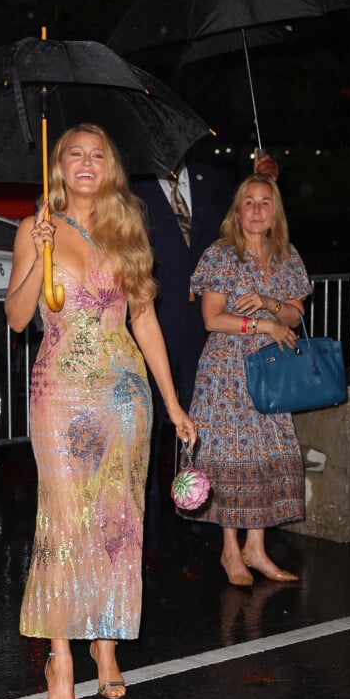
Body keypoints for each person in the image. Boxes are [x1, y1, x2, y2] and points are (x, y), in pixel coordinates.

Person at [4, 123, 196, 699]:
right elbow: (15, 319)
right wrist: (37, 257)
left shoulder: (126, 229)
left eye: (97, 155)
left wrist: (171, 402)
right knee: (64, 520)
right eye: (74, 155)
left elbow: (144, 321)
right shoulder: (34, 230)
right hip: (60, 391)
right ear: (57, 166)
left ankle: (106, 644)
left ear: (109, 168)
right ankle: (60, 653)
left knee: (118, 520)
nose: (86, 163)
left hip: (124, 394)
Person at [130, 146, 279, 568]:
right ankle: (149, 536)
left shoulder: (213, 181)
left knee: (212, 430)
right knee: (152, 432)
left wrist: (265, 181)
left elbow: (251, 222)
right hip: (154, 324)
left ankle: (218, 533)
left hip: (211, 335)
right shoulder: (132, 186)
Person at [181, 172, 313, 586]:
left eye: (265, 202)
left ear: (275, 213)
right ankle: (230, 551)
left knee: (263, 457)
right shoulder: (221, 255)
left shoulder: (286, 256)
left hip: (271, 371)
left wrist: (271, 305)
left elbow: (295, 313)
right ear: (237, 212)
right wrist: (262, 325)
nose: (257, 210)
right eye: (249, 202)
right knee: (231, 457)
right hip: (226, 372)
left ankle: (256, 548)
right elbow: (211, 318)